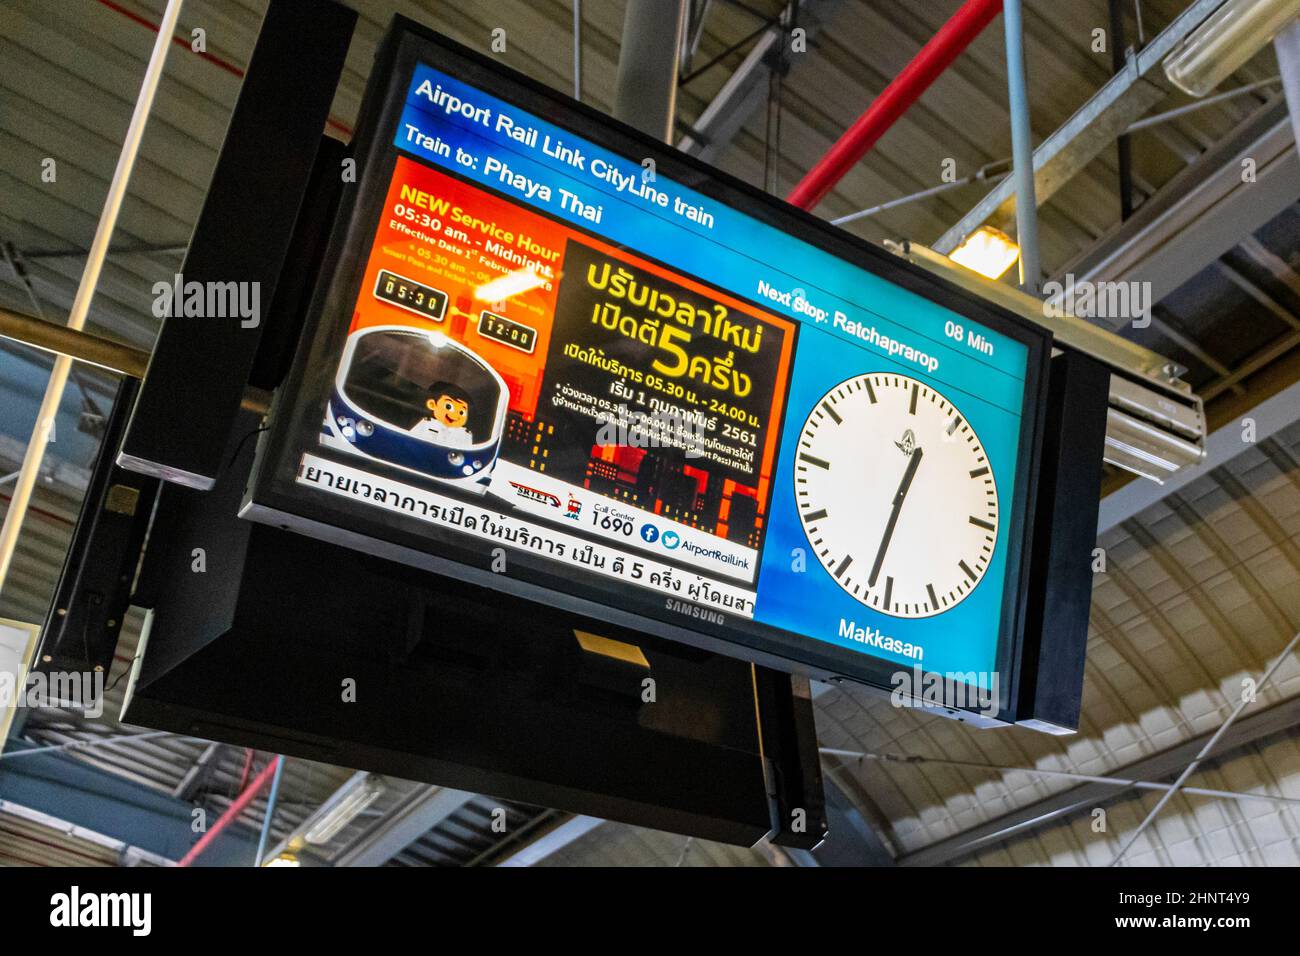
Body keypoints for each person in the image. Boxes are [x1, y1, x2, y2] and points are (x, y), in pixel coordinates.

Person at [411, 381, 474, 448]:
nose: (455, 415)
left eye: (461, 412)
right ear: (432, 405)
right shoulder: (426, 423)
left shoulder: (465, 435)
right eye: (448, 407)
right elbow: (411, 440)